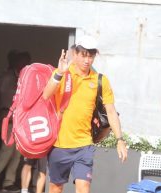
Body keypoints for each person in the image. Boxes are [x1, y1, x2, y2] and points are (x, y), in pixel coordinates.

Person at [42, 35, 128, 193]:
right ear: (74, 54)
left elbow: (110, 111)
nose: (87, 60)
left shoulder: (100, 80)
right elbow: (46, 95)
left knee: (84, 187)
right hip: (59, 145)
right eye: (83, 55)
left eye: (91, 56)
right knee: (55, 188)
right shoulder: (62, 74)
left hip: (84, 145)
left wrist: (120, 140)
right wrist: (59, 73)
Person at [0, 50, 30, 192]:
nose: (25, 65)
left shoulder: (28, 78)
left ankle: (8, 182)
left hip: (22, 119)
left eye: (27, 62)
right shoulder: (6, 78)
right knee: (6, 150)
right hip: (8, 117)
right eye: (23, 62)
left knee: (18, 152)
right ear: (17, 63)